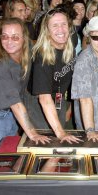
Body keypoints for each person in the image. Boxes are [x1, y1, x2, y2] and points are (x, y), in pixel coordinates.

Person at [0, 18, 51, 153]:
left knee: (9, 155)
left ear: (24, 38)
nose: (9, 41)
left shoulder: (27, 48)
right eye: (5, 37)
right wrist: (33, 133)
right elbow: (16, 104)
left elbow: (40, 46)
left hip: (10, 113)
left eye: (15, 37)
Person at [31, 7, 82, 141]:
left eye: (63, 24)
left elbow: (67, 80)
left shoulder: (69, 47)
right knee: (47, 145)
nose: (61, 29)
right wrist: (61, 133)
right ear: (46, 31)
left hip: (58, 102)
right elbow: (44, 99)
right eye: (55, 25)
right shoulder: (42, 57)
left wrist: (67, 105)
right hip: (39, 108)